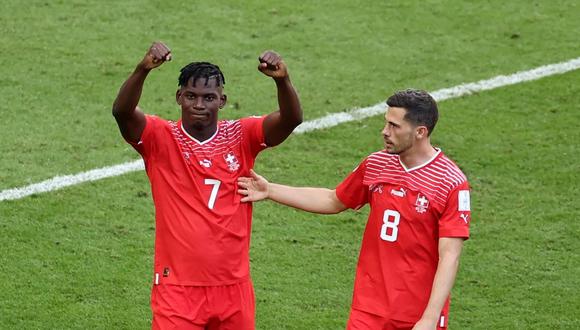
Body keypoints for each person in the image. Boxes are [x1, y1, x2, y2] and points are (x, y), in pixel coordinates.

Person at [238, 89, 470, 330]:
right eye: (385, 123)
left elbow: (449, 256)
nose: (385, 131)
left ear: (420, 132)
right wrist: (270, 190)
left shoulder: (449, 182)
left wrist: (429, 319)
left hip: (418, 314)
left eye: (394, 126)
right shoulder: (377, 164)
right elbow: (333, 200)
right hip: (369, 309)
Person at [112, 41, 302, 330]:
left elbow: (291, 119)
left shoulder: (241, 135)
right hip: (177, 288)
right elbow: (122, 113)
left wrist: (283, 81)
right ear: (179, 97)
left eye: (208, 97)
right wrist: (142, 70)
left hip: (233, 288)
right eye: (191, 96)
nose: (199, 105)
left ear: (222, 101)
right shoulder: (160, 138)